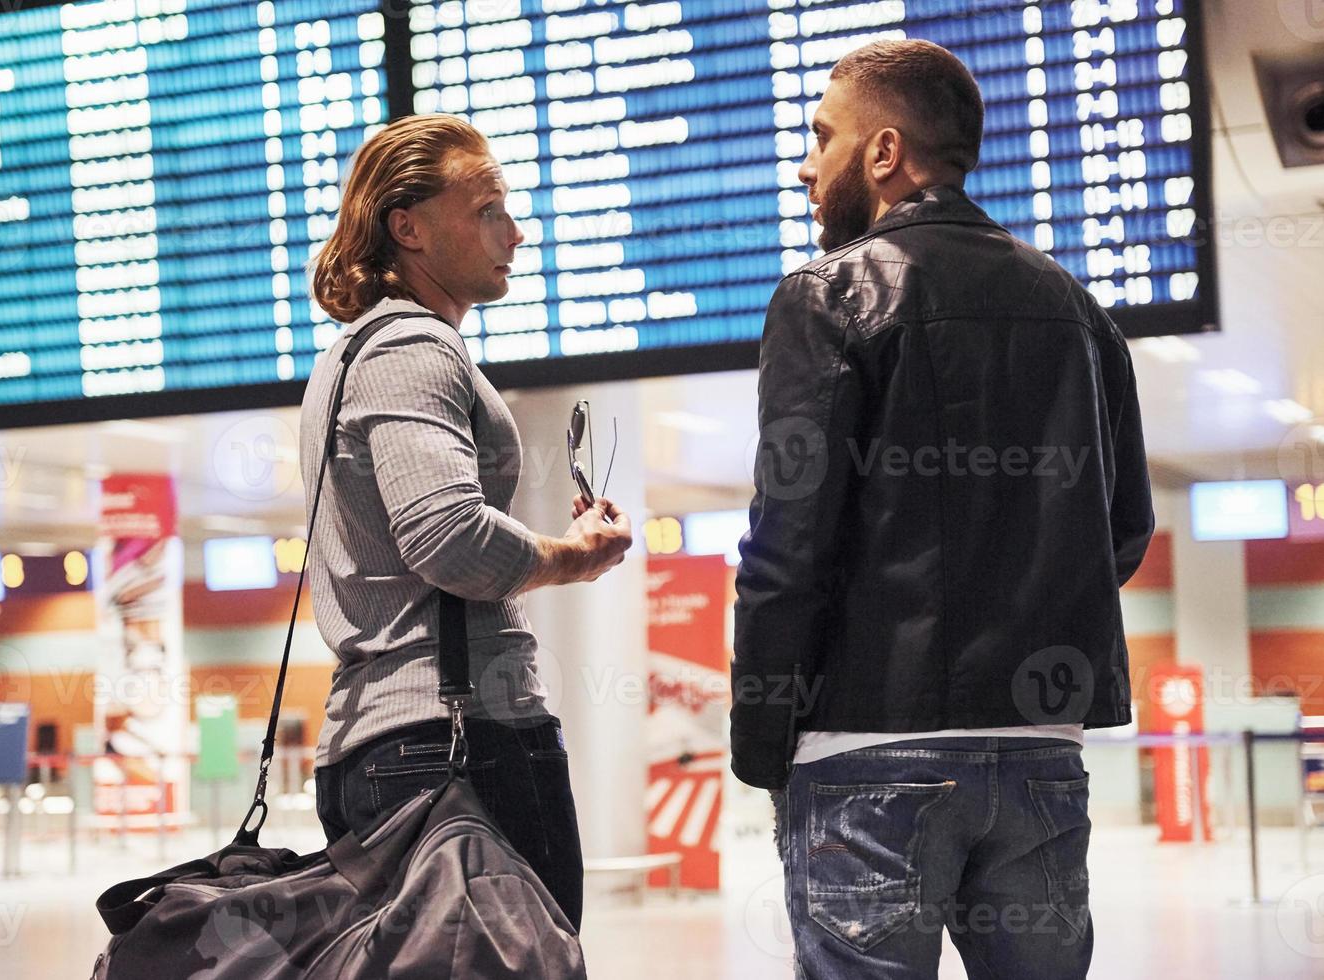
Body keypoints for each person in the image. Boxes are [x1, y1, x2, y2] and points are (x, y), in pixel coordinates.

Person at [731, 39, 1153, 979]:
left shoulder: (825, 295)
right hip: (1040, 754)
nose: (805, 165)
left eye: (820, 136)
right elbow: (1120, 532)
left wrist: (762, 744)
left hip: (867, 748)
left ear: (882, 154)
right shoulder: (1080, 312)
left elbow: (788, 544)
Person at [300, 113, 633, 930]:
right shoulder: (412, 346)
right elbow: (447, 539)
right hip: (454, 741)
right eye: (488, 209)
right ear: (405, 227)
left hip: (388, 746)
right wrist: (574, 556)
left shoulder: (350, 356)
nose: (514, 233)